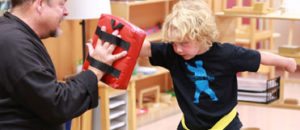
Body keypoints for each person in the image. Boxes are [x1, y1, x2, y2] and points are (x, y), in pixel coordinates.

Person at [140, 1, 297, 130]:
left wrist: (286, 62)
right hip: (189, 125)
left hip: (224, 125)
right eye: (174, 43)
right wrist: (119, 39)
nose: (178, 48)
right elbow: (145, 47)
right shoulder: (172, 54)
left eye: (184, 43)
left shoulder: (226, 54)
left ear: (202, 36)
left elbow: (259, 56)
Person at [0, 0, 127, 129]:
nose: (66, 12)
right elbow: (57, 105)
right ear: (40, 4)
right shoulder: (15, 44)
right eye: (61, 4)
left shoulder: (12, 33)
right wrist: (96, 67)